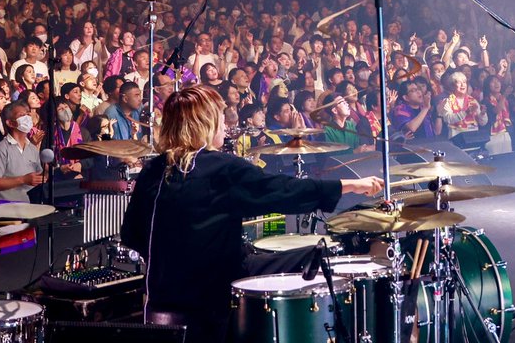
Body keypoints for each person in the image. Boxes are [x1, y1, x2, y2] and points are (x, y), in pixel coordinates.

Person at [119, 85, 382, 343]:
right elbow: (283, 191)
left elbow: (131, 235)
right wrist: (348, 184)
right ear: (205, 123)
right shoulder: (222, 168)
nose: (224, 125)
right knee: (317, 254)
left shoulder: (153, 170)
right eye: (220, 118)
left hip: (160, 302)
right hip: (214, 303)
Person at [0, 103, 44, 203]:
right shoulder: (1, 149)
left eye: (27, 114)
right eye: (22, 115)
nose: (27, 118)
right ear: (10, 123)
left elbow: (37, 176)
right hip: (8, 210)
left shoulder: (32, 148)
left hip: (30, 207)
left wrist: (48, 172)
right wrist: (23, 180)